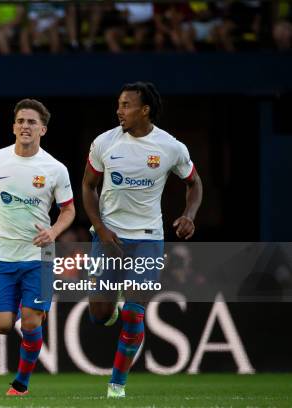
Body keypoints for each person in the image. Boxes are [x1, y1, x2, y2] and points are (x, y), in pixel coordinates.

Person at [82, 82, 203, 398]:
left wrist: (189, 214)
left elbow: (194, 183)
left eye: (126, 105)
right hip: (108, 236)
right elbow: (88, 187)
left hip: (149, 238)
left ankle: (116, 384)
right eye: (119, 104)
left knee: (135, 312)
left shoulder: (170, 147)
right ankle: (114, 311)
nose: (119, 110)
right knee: (98, 314)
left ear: (144, 109)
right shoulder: (104, 143)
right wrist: (101, 228)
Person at [0, 99, 75, 396]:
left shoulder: (55, 169)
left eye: (31, 122)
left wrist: (53, 231)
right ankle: (35, 312)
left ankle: (21, 383)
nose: (25, 126)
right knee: (1, 325)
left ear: (43, 129)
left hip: (39, 256)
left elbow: (68, 211)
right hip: (2, 257)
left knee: (28, 321)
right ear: (14, 126)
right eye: (21, 121)